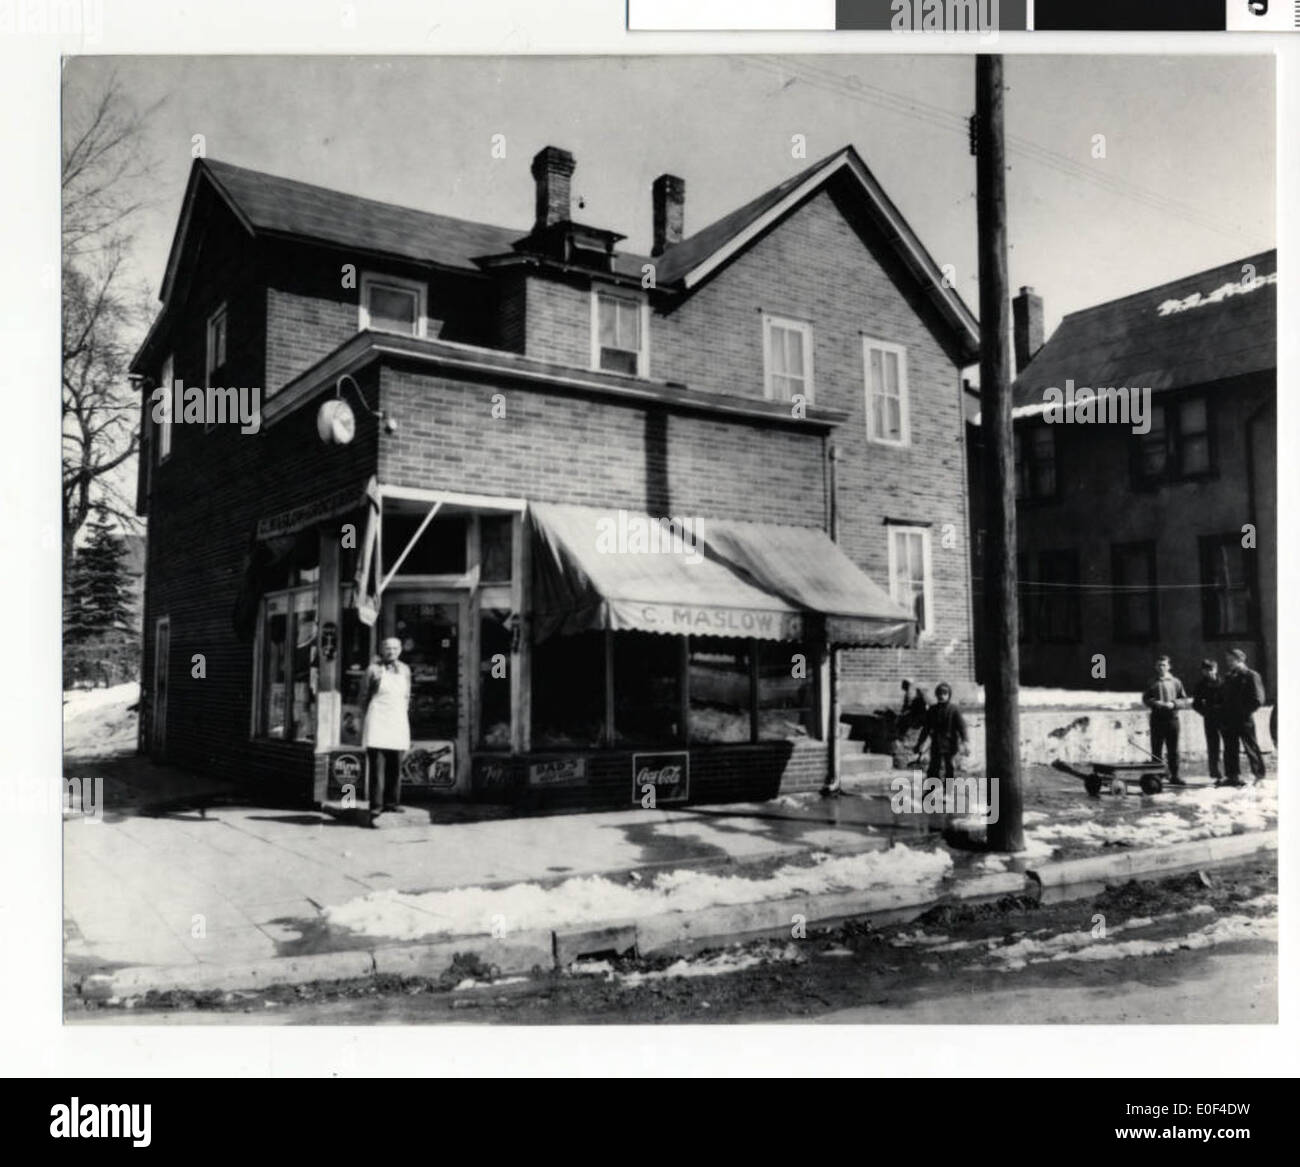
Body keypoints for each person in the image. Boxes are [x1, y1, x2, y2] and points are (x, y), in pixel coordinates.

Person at [362, 636, 412, 824]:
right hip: (378, 719)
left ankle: (392, 802)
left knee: (396, 764)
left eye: (395, 648)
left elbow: (407, 695)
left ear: (400, 650)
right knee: (377, 766)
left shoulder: (405, 670)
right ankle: (376, 806)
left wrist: (402, 714)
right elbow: (364, 696)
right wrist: (365, 717)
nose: (391, 652)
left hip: (397, 719)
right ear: (382, 650)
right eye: (388, 648)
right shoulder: (373, 670)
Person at [1219, 648, 1266, 786]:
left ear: (1240, 660)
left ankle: (1259, 776)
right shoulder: (1229, 677)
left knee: (1251, 747)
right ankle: (1232, 776)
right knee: (1230, 748)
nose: (1228, 662)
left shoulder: (1251, 675)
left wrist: (1244, 712)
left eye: (1231, 660)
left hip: (1244, 719)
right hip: (1229, 719)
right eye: (1227, 660)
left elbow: (1258, 699)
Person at [1142, 656, 1188, 785]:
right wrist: (1155, 703)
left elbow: (1184, 700)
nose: (1161, 668)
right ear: (1156, 667)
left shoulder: (1176, 682)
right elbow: (1146, 699)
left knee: (1173, 749)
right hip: (1157, 719)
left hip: (1172, 719)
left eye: (1164, 665)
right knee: (1156, 748)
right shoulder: (1152, 682)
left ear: (1169, 666)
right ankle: (1157, 775)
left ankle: (1175, 775)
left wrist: (1173, 704)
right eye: (1159, 665)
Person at [913, 682, 968, 780]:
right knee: (933, 767)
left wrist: (965, 742)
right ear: (936, 695)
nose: (942, 696)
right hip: (936, 743)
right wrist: (919, 743)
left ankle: (948, 791)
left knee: (949, 767)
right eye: (939, 694)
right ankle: (932, 790)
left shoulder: (954, 710)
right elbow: (926, 728)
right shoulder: (932, 710)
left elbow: (962, 727)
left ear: (949, 695)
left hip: (950, 743)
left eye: (944, 694)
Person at [1191, 658, 1224, 784]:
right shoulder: (1200, 685)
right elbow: (1196, 704)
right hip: (1210, 718)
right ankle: (1216, 774)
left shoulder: (1224, 682)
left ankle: (1231, 774)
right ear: (1203, 672)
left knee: (1229, 745)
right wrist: (1206, 713)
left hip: (1225, 718)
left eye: (1211, 669)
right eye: (1206, 670)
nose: (1209, 672)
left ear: (1216, 669)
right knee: (1213, 746)